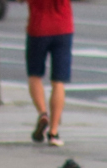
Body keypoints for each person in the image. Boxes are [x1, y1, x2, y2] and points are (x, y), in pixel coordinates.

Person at [24, 0, 74, 147]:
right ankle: (53, 132)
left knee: (35, 75)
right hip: (63, 28)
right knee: (58, 82)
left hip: (38, 28)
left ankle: (42, 114)